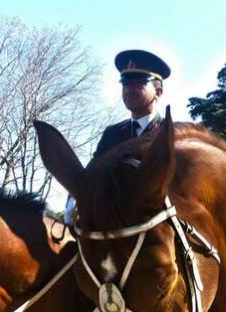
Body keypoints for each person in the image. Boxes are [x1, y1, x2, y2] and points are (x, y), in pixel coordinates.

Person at [63, 49, 171, 223]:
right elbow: (92, 174)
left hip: (156, 229)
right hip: (113, 228)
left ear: (158, 92)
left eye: (139, 83)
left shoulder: (170, 134)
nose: (129, 89)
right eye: (125, 83)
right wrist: (73, 199)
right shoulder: (112, 134)